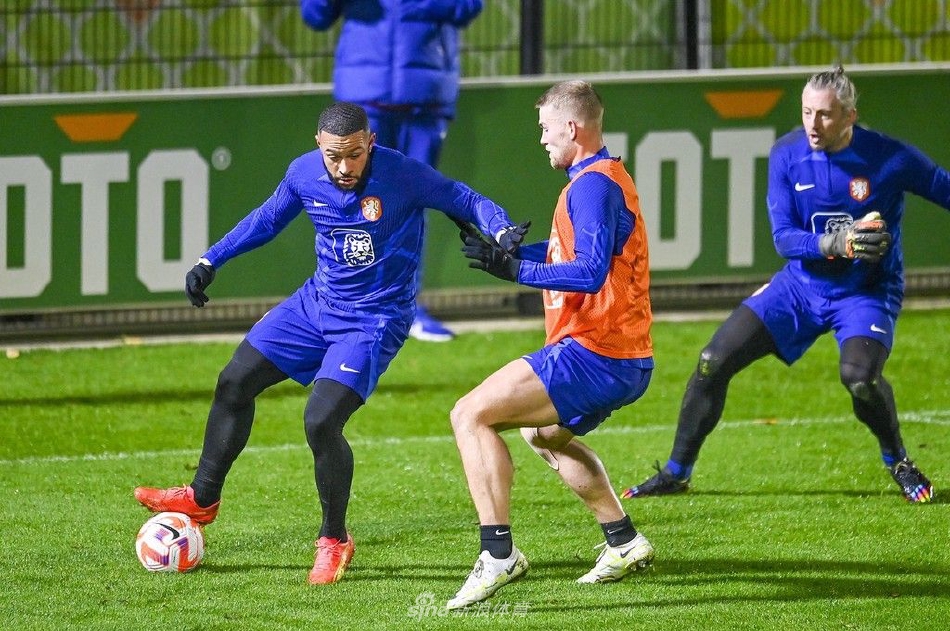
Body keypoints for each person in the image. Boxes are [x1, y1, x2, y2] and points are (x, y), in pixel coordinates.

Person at [134, 102, 526, 585]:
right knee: (234, 381)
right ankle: (202, 497)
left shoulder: (401, 174)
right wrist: (210, 260)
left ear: (371, 143)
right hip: (315, 304)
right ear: (318, 144)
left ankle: (334, 538)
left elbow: (462, 197)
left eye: (355, 154)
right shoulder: (303, 173)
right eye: (334, 156)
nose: (344, 167)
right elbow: (267, 219)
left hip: (374, 320)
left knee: (320, 421)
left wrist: (500, 227)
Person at [623, 65, 945, 504]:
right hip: (800, 287)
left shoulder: (890, 157)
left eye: (825, 114)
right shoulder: (787, 154)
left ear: (850, 116)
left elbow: (944, 188)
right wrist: (837, 242)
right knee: (712, 361)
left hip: (865, 292)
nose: (813, 123)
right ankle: (676, 473)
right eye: (807, 112)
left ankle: (899, 462)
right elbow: (784, 238)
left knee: (860, 378)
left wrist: (850, 247)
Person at [446, 80, 655, 610]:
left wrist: (516, 271)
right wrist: (511, 254)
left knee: (469, 414)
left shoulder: (591, 186)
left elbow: (588, 272)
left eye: (545, 129)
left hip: (596, 350)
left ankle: (498, 554)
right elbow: (577, 254)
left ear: (571, 127)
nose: (541, 139)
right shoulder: (603, 178)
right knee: (544, 434)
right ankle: (623, 541)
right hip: (622, 355)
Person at [300, 0, 484, 342]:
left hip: (424, 99)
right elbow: (314, 14)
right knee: (352, 204)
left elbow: (468, 7)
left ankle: (405, 308)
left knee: (411, 206)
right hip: (365, 100)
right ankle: (345, 306)